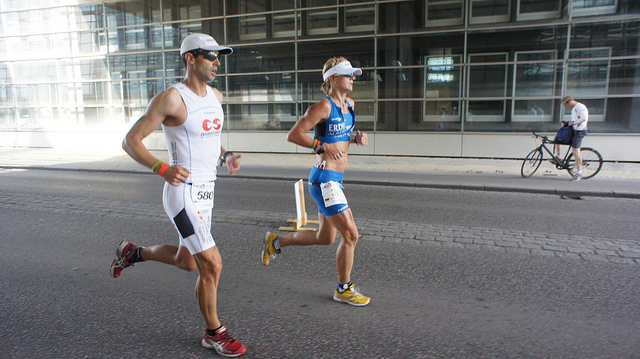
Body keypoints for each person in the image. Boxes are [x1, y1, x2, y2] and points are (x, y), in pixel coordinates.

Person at [110, 33, 247, 357]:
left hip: (206, 192)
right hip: (181, 193)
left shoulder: (216, 95)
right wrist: (162, 168)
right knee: (212, 265)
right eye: (209, 56)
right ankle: (215, 332)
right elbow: (131, 141)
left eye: (218, 57)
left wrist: (225, 156)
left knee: (188, 262)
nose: (216, 62)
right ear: (190, 58)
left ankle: (133, 252)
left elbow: (208, 138)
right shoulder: (171, 99)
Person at [261, 57, 371, 307]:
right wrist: (320, 145)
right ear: (332, 79)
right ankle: (344, 288)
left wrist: (356, 139)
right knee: (351, 235)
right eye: (347, 75)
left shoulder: (350, 104)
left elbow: (340, 136)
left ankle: (276, 242)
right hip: (324, 180)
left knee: (326, 237)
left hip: (336, 180)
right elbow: (294, 134)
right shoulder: (322, 106)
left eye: (353, 75)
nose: (353, 78)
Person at [561, 96, 589, 181]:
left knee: (576, 151)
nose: (566, 107)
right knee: (559, 138)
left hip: (579, 131)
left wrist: (572, 123)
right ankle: (558, 157)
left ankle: (579, 173)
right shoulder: (575, 108)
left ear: (569, 101)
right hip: (575, 130)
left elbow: (583, 118)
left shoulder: (580, 106)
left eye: (565, 105)